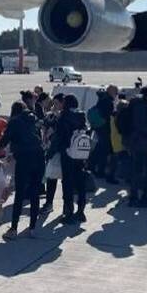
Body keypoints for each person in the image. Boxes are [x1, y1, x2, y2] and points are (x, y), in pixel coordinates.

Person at [0, 101, 46, 239]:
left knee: (19, 194)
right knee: (35, 193)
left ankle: (14, 229)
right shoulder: (34, 118)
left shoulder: (14, 122)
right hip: (39, 157)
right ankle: (32, 228)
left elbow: (4, 142)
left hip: (24, 159)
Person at [49, 94, 89, 224]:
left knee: (67, 183)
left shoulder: (64, 116)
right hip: (80, 153)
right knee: (80, 182)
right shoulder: (81, 115)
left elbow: (59, 136)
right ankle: (81, 211)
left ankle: (69, 212)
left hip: (67, 153)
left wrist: (50, 152)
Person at [124, 84, 147, 208]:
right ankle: (138, 197)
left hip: (139, 141)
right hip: (139, 142)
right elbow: (140, 125)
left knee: (143, 170)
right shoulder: (141, 105)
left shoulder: (141, 104)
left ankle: (142, 196)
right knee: (142, 170)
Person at [41, 93, 65, 213]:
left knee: (64, 180)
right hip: (51, 151)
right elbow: (44, 128)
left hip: (62, 152)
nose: (54, 106)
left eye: (56, 103)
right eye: (53, 103)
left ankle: (66, 207)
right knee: (51, 177)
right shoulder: (50, 115)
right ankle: (49, 203)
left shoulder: (64, 117)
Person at [88, 89, 114, 179]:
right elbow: (108, 115)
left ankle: (91, 165)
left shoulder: (100, 101)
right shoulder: (108, 101)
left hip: (98, 128)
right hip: (105, 129)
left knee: (99, 149)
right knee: (103, 151)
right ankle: (100, 170)